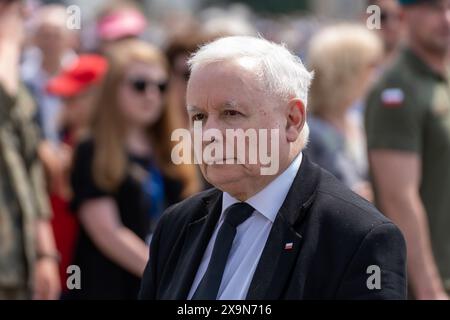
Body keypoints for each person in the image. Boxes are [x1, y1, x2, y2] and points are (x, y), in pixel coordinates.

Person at [139, 36, 407, 300]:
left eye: (230, 114)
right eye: (198, 116)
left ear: (292, 120)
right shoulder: (176, 225)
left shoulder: (358, 237)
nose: (208, 134)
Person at [68, 39, 200, 299]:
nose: (151, 95)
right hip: (111, 287)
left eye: (160, 86)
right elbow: (108, 234)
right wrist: (170, 276)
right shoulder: (91, 147)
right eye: (139, 85)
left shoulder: (174, 145)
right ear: (112, 89)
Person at [365, 0, 450, 299]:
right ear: (404, 16)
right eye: (432, 8)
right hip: (430, 281)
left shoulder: (439, 78)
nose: (445, 18)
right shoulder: (397, 87)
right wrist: (430, 290)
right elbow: (398, 198)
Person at [0, 0, 60, 300]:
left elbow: (30, 170)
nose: (25, 14)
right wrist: (7, 38)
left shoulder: (22, 89)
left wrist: (46, 254)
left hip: (17, 266)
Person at [45, 54, 108, 292]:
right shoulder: (66, 140)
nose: (66, 106)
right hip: (63, 273)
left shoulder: (99, 148)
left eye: (74, 98)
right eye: (64, 99)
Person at [305, 24, 383, 202]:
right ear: (348, 72)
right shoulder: (308, 132)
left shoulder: (358, 119)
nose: (376, 76)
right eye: (371, 66)